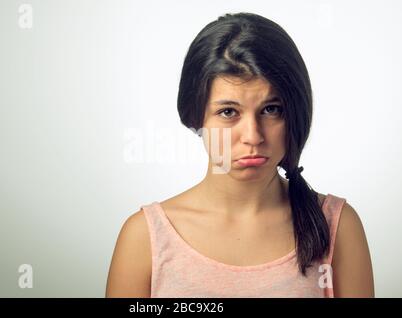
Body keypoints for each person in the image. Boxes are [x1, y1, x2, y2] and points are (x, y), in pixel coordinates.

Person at [105, 12, 374, 297]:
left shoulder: (337, 227)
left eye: (272, 109)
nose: (253, 136)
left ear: (296, 112)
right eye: (228, 112)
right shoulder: (145, 239)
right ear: (195, 117)